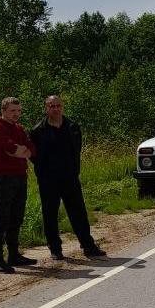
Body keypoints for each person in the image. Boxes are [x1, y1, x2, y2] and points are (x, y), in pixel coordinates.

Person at [30, 95, 105, 260]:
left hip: (69, 177)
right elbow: (34, 156)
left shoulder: (73, 127)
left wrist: (73, 170)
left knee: (78, 211)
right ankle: (55, 249)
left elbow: (76, 150)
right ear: (46, 108)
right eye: (51, 106)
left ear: (62, 107)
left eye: (58, 106)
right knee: (50, 214)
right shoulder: (38, 131)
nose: (55, 109)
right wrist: (43, 172)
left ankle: (88, 246)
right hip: (48, 179)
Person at [0, 97, 37, 273]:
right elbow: (10, 148)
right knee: (2, 218)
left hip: (20, 176)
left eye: (18, 111)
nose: (16, 114)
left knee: (17, 217)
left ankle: (14, 255)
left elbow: (31, 148)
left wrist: (21, 150)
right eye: (12, 111)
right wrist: (19, 150)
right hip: (4, 178)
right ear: (3, 110)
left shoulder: (18, 128)